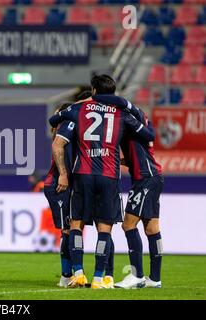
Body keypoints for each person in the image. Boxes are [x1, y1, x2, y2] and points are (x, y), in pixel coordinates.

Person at [48, 74, 155, 289]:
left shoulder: (79, 110)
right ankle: (99, 278)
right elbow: (148, 134)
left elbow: (53, 121)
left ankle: (78, 273)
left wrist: (83, 103)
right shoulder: (122, 113)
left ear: (94, 91)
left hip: (83, 174)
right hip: (109, 175)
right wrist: (128, 106)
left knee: (76, 224)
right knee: (104, 229)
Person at [92, 94, 164, 289]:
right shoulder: (139, 120)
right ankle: (155, 278)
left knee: (128, 225)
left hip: (145, 179)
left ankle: (137, 275)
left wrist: (95, 97)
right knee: (152, 228)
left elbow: (123, 103)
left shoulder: (130, 117)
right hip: (152, 176)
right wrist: (126, 161)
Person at [44, 102, 76, 287]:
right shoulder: (63, 131)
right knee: (67, 229)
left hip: (68, 184)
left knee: (73, 228)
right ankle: (66, 275)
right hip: (57, 184)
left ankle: (73, 271)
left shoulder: (68, 130)